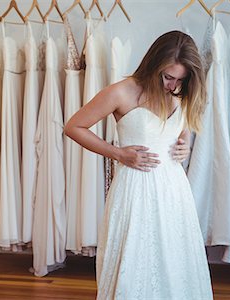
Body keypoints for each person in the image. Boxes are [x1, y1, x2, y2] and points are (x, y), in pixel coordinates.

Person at [64, 31, 213, 299]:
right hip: (136, 187)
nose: (173, 85)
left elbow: (183, 126)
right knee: (135, 258)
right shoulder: (121, 91)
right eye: (168, 77)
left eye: (180, 79)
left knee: (175, 259)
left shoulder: (181, 92)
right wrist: (118, 153)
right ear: (154, 64)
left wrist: (184, 143)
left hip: (174, 189)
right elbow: (74, 127)